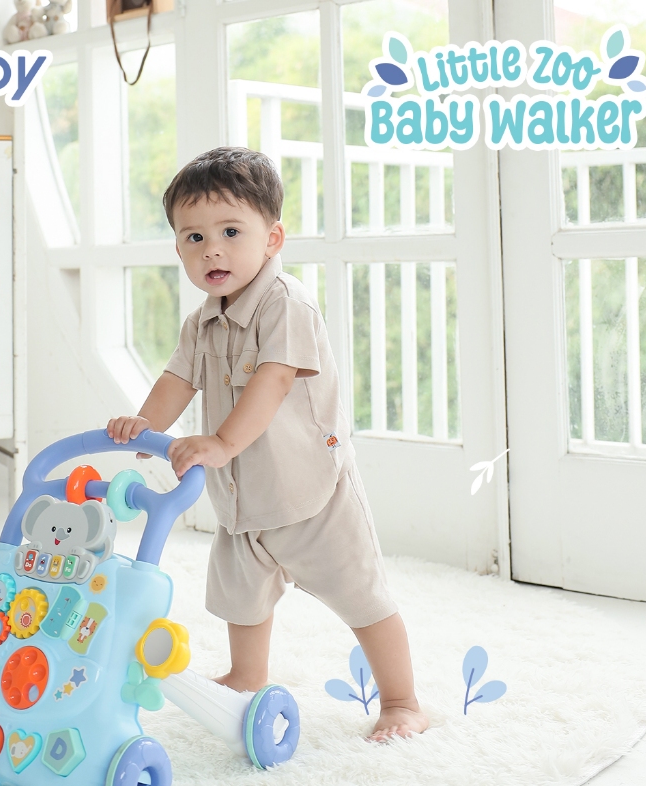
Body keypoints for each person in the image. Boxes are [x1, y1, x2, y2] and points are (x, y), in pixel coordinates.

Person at [107, 147, 427, 741]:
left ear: (272, 238)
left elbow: (274, 380)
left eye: (231, 232)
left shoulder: (287, 304)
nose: (213, 250)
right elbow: (178, 378)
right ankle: (247, 674)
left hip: (311, 490)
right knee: (241, 597)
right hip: (242, 498)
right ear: (178, 248)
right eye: (195, 238)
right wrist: (144, 425)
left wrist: (220, 442)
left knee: (361, 596)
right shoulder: (202, 322)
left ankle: (402, 701)